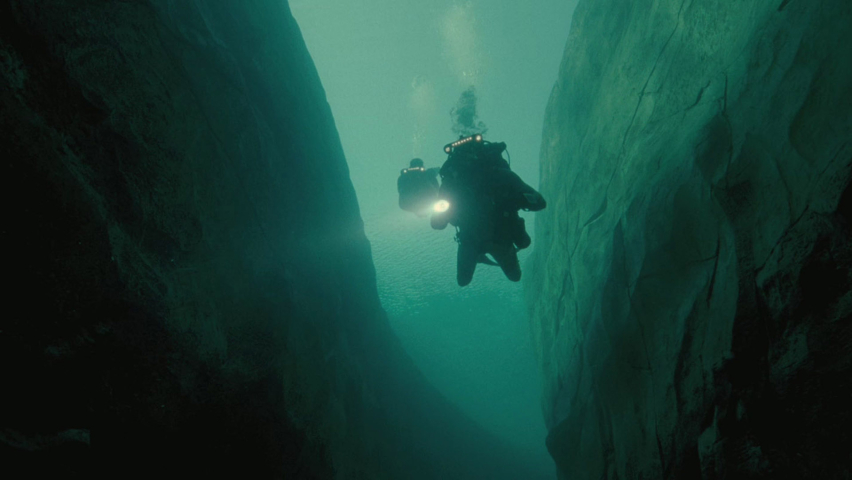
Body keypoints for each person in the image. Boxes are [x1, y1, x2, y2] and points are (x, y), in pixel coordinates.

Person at [431, 135, 545, 286]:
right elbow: (539, 203)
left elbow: (437, 224)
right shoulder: (501, 175)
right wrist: (516, 200)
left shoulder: (451, 184)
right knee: (513, 276)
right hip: (499, 237)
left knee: (464, 280)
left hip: (472, 240)